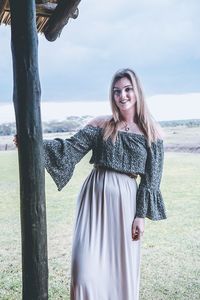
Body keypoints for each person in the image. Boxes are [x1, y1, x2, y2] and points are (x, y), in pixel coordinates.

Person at [15, 68, 167, 300]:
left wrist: (140, 216)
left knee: (119, 273)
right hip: (93, 200)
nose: (122, 96)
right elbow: (69, 150)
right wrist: (32, 143)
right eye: (117, 91)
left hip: (125, 204)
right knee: (84, 271)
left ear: (137, 92)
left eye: (128, 89)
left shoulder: (152, 132)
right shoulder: (101, 124)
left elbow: (151, 180)